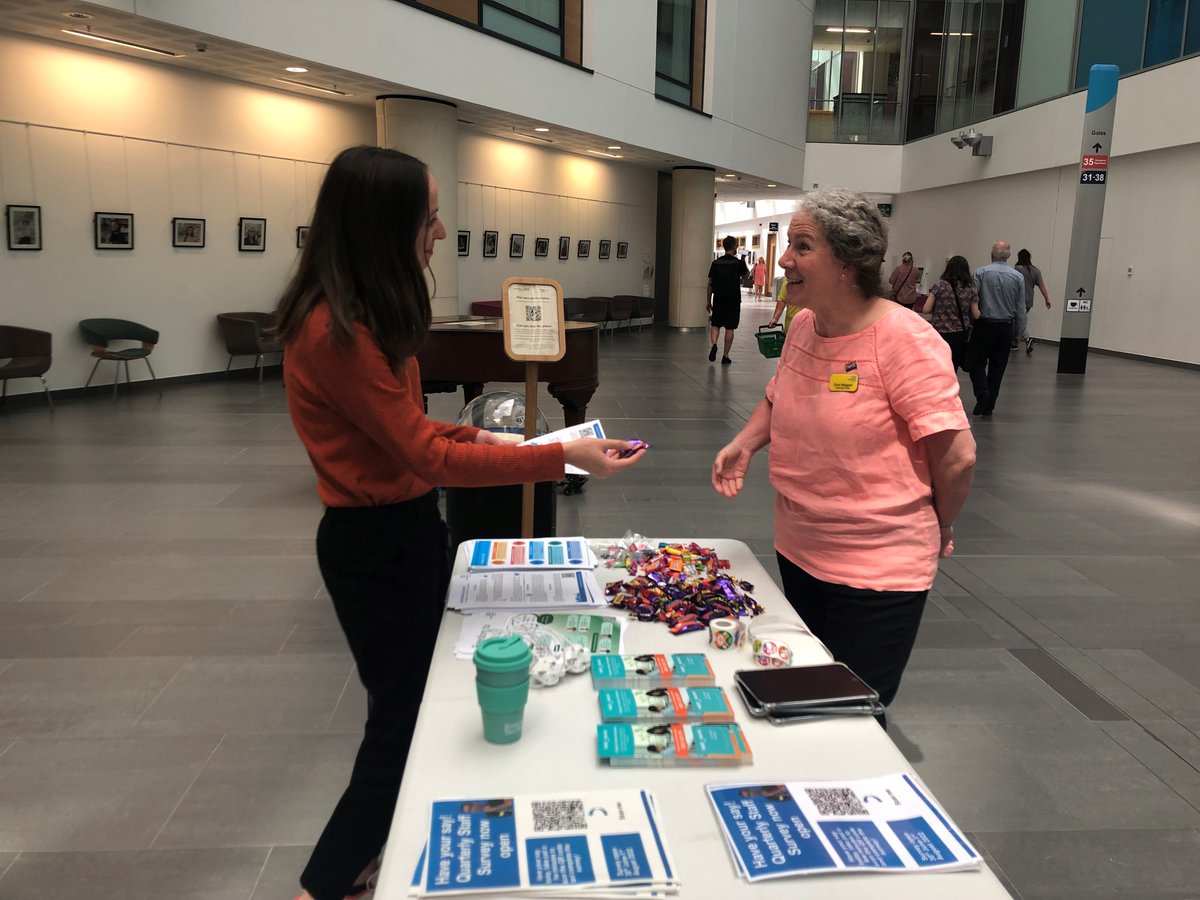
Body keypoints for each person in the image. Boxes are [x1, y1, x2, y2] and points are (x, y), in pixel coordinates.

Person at [275, 146, 646, 900]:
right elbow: (427, 454)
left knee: (411, 713)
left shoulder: (361, 319)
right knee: (401, 727)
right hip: (375, 545)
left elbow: (421, 436)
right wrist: (556, 459)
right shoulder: (334, 333)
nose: (439, 232)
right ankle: (326, 881)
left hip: (403, 530)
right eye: (430, 215)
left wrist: (530, 444)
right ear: (388, 225)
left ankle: (359, 864)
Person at [711, 187, 976, 729]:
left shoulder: (906, 341)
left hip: (878, 568)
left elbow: (957, 458)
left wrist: (938, 522)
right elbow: (777, 394)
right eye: (788, 245)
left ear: (849, 260)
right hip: (800, 547)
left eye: (802, 247)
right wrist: (746, 442)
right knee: (807, 696)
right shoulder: (806, 326)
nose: (785, 259)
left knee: (847, 718)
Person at [968, 240, 1026, 416]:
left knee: (976, 362)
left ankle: (982, 393)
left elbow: (973, 299)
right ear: (1009, 256)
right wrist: (1020, 332)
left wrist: (969, 323)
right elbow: (1020, 308)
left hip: (984, 325)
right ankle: (989, 404)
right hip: (1005, 327)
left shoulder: (980, 273)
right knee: (998, 367)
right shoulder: (1018, 277)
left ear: (991, 255)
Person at [925, 255, 977, 372]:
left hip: (940, 332)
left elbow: (926, 309)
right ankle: (951, 387)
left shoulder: (939, 285)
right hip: (960, 333)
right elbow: (976, 314)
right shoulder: (970, 288)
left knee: (939, 365)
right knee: (952, 366)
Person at [707, 235, 748, 364]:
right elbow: (746, 275)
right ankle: (725, 356)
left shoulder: (716, 263)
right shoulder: (738, 263)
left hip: (718, 299)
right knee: (729, 328)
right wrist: (743, 260)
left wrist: (708, 301)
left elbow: (710, 284)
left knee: (715, 324)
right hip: (733, 300)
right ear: (734, 247)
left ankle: (714, 344)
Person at [1014, 248, 1052, 355]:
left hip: (1017, 299)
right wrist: (1047, 299)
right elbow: (1041, 286)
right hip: (1028, 300)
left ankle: (1026, 339)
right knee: (1019, 320)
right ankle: (1014, 342)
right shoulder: (1036, 271)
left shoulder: (1017, 269)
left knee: (1017, 321)